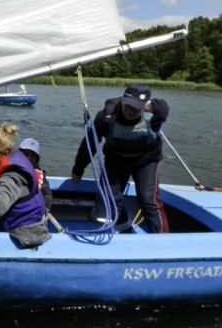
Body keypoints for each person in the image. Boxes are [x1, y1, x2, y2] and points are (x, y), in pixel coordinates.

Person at [70, 83, 169, 233]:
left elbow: (163, 107)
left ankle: (161, 239)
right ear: (122, 101)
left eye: (136, 107)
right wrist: (78, 169)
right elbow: (89, 143)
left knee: (148, 201)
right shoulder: (106, 116)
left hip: (146, 161)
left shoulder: (156, 111)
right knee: (108, 197)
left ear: (145, 106)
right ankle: (126, 229)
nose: (131, 111)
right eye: (128, 105)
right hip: (117, 160)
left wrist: (153, 110)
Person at [18, 137, 54, 215]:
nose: (29, 158)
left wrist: (45, 208)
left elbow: (47, 194)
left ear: (36, 159)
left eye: (33, 156)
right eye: (26, 154)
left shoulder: (40, 176)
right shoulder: (10, 170)